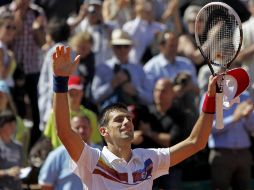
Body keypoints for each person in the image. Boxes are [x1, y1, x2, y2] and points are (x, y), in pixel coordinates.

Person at [51, 45, 217, 189]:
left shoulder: (148, 160)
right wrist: (60, 80)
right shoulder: (92, 159)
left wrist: (210, 98)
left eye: (129, 119)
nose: (126, 122)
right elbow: (64, 132)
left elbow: (196, 142)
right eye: (118, 120)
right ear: (103, 131)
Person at [199, 69, 254, 190]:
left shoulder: (245, 96)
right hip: (221, 155)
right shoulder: (209, 97)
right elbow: (206, 129)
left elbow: (252, 128)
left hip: (244, 153)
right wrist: (234, 118)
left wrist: (248, 116)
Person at [91, 28, 153, 109]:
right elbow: (94, 97)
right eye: (118, 46)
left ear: (130, 47)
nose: (122, 50)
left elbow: (150, 98)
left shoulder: (138, 69)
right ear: (112, 47)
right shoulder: (103, 68)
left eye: (126, 46)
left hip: (135, 115)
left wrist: (136, 92)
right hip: (111, 114)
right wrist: (112, 84)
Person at [39, 115, 100, 190]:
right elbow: (46, 185)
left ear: (91, 130)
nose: (81, 130)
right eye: (77, 128)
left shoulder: (101, 153)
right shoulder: (57, 155)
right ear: (70, 131)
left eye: (84, 127)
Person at [44, 75, 102, 149]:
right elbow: (47, 139)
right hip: (61, 158)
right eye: (71, 94)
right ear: (65, 94)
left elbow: (96, 142)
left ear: (82, 93)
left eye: (77, 93)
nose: (74, 97)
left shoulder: (91, 115)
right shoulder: (54, 114)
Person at [0, 110, 23, 190]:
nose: (13, 126)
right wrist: (7, 172)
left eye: (14, 123)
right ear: (1, 126)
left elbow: (21, 166)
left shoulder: (18, 146)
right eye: (9, 124)